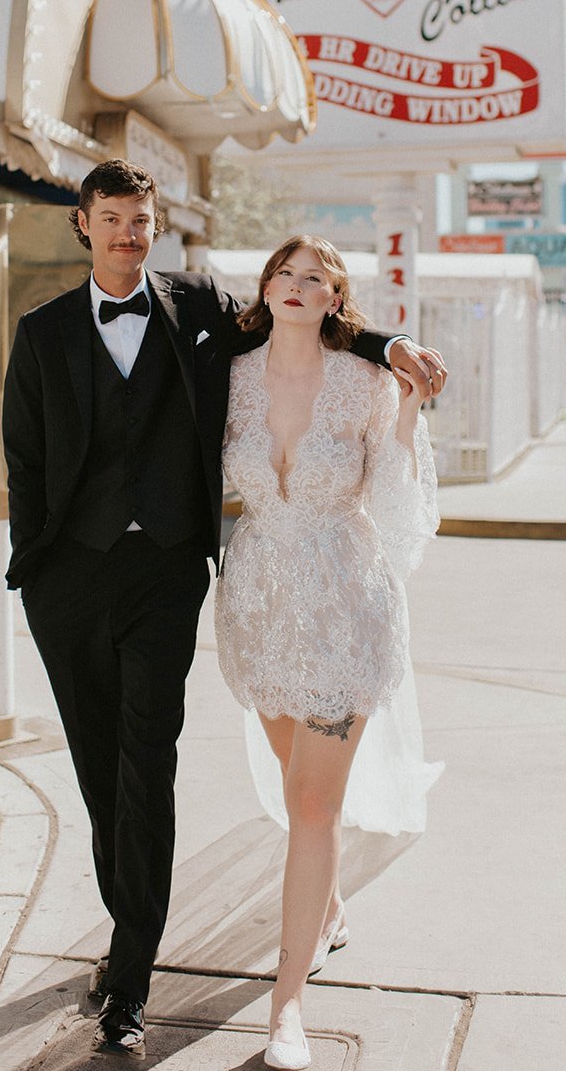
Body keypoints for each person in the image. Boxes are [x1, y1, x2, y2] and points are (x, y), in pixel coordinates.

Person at [1, 160, 447, 1056]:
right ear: (83, 225)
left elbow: (309, 321)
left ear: (156, 225)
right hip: (74, 584)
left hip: (170, 577)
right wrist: (38, 570)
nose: (129, 231)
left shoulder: (195, 304)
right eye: (111, 216)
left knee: (146, 765)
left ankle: (131, 977)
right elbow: (24, 455)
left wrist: (388, 345)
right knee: (100, 772)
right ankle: (181, 925)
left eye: (142, 217)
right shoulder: (42, 331)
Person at [215, 236, 441, 1070]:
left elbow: (393, 509)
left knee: (311, 807)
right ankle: (330, 904)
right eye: (287, 272)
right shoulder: (230, 377)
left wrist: (407, 415)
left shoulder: (366, 383)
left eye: (318, 277)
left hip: (347, 609)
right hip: (258, 609)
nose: (299, 285)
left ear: (337, 298)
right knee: (297, 778)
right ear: (267, 286)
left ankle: (287, 1009)